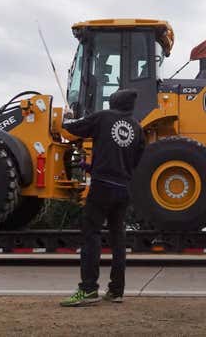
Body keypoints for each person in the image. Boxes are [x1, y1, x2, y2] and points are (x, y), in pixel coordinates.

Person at [60, 89, 145, 307]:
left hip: (102, 187)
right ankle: (116, 290)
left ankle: (88, 289)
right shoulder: (137, 128)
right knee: (118, 239)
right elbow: (134, 161)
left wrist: (66, 118)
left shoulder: (103, 117)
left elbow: (72, 129)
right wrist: (92, 166)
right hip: (123, 188)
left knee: (91, 234)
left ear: (113, 102)